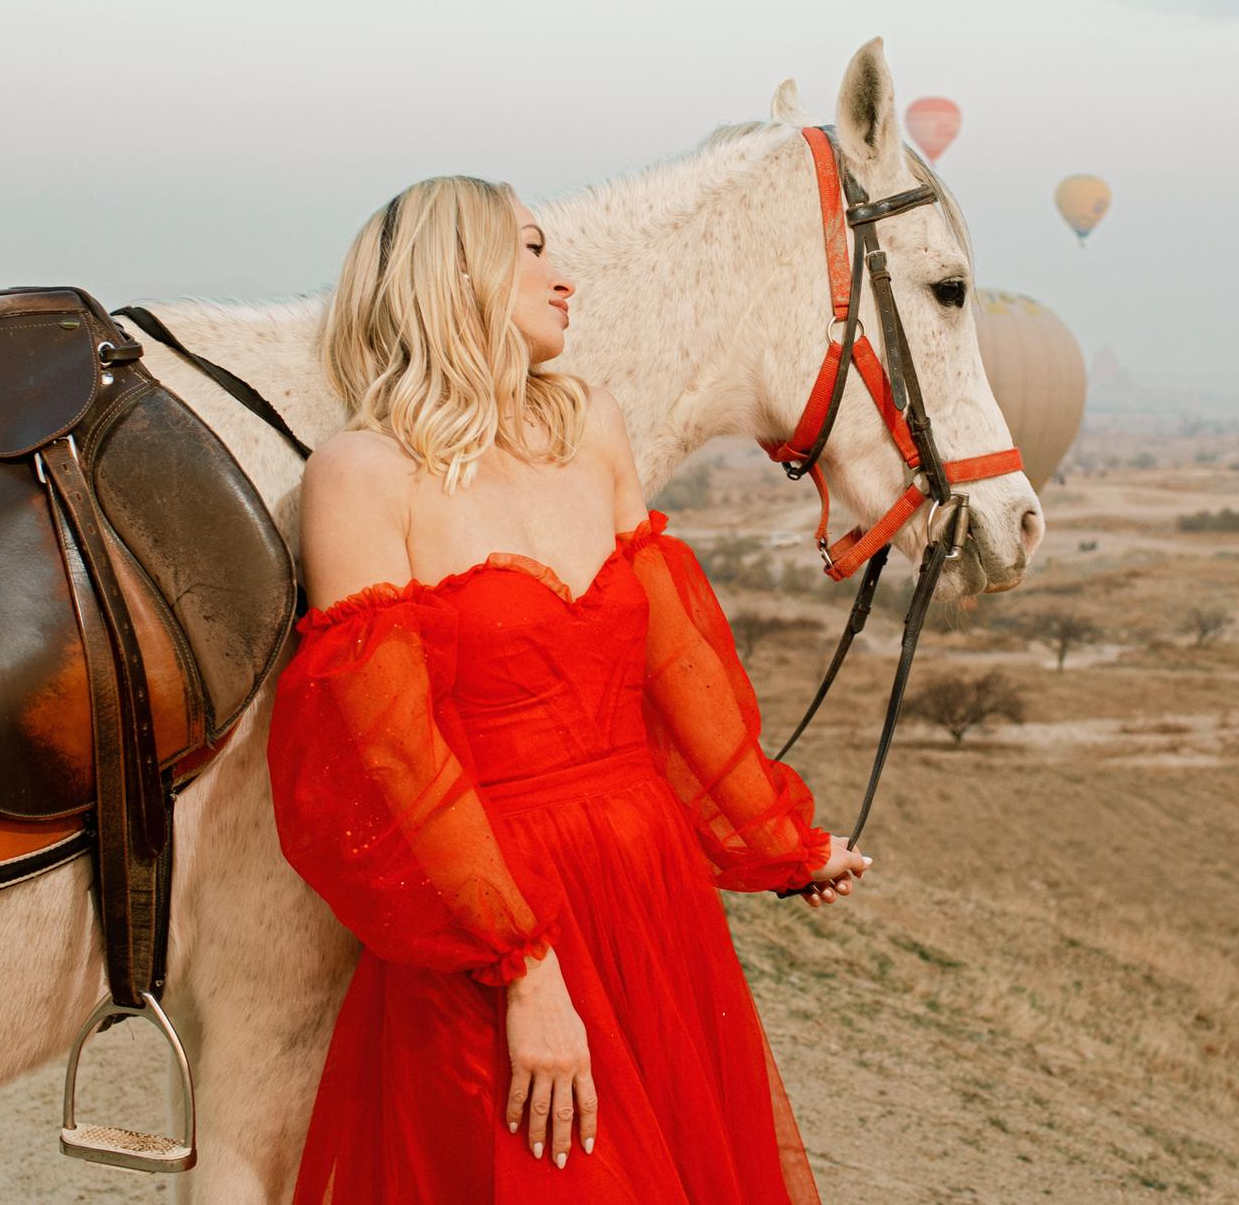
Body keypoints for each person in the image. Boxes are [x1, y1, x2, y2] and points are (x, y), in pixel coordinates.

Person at [270, 174, 870, 1203]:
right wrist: (522, 972)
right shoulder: (360, 474)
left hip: (647, 894)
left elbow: (674, 662)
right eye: (534, 249)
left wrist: (777, 837)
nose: (565, 277)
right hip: (493, 910)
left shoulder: (588, 424)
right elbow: (392, 759)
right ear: (455, 273)